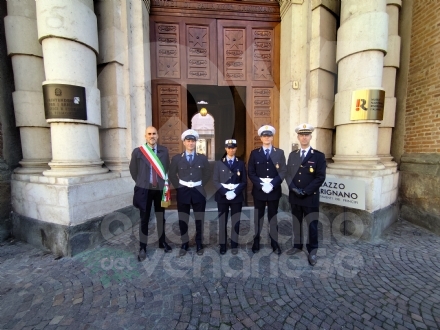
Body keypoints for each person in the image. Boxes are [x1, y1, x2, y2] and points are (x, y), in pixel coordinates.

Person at [285, 123, 326, 266]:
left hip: (310, 197)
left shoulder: (318, 156)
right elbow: (288, 174)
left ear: (310, 137)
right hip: (295, 196)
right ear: (298, 137)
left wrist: (306, 191)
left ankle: (313, 250)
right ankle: (297, 245)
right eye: (301, 135)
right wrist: (294, 188)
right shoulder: (292, 155)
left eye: (306, 135)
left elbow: (320, 177)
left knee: (312, 225)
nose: (304, 137)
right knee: (296, 222)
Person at [129, 126, 172, 262]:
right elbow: (133, 171)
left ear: (157, 136)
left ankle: (162, 242)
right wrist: (142, 182)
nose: (152, 136)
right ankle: (143, 247)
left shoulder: (164, 151)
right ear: (145, 136)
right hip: (145, 190)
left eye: (154, 133)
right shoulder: (138, 152)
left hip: (159, 190)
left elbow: (167, 167)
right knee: (144, 219)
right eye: (149, 134)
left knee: (161, 217)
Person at [169, 129, 211, 256]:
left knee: (199, 219)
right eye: (188, 141)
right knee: (183, 219)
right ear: (184, 142)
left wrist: (200, 184)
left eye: (193, 141)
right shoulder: (177, 158)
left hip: (198, 192)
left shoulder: (202, 158)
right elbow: (171, 174)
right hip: (183, 192)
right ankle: (184, 243)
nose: (191, 143)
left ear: (196, 143)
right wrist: (179, 187)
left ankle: (199, 243)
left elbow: (207, 173)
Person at [248, 125, 286, 254]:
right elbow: (251, 172)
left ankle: (274, 241)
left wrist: (273, 184)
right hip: (259, 191)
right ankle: (256, 240)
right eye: (264, 135)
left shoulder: (279, 152)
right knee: (258, 217)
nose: (267, 138)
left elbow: (283, 171)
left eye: (269, 135)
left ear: (272, 137)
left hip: (274, 190)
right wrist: (261, 184)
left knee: (273, 217)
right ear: (261, 137)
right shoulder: (254, 153)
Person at [212, 139, 247, 255]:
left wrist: (235, 192)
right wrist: (225, 192)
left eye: (233, 147)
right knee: (222, 221)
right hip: (222, 196)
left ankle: (234, 244)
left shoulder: (240, 163)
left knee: (236, 221)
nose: (231, 150)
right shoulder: (219, 163)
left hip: (236, 196)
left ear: (236, 149)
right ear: (225, 149)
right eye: (229, 147)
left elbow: (244, 181)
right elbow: (215, 180)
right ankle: (223, 244)